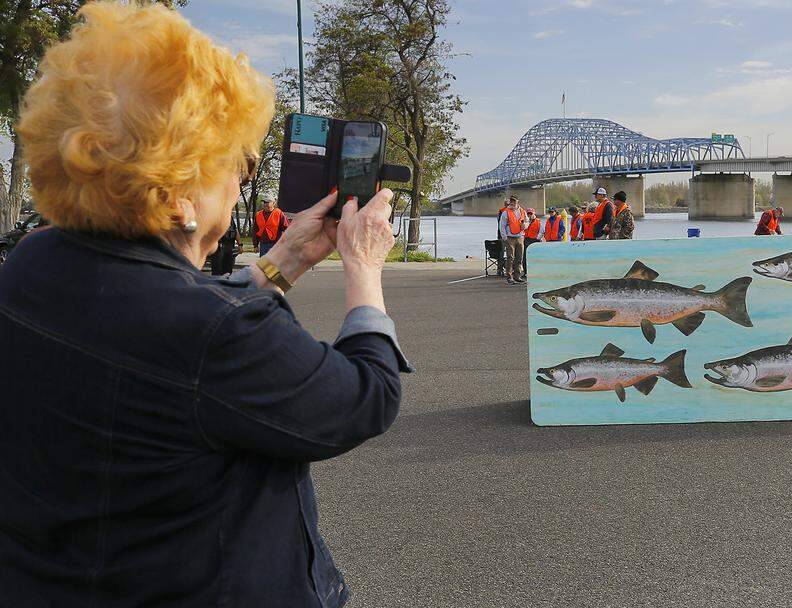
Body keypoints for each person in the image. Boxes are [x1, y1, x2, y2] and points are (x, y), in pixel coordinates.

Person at [0, 4, 411, 606]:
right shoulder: (217, 334)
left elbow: (170, 322)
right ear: (178, 194)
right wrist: (365, 265)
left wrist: (286, 259)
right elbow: (362, 398)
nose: (241, 183)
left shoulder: (32, 265)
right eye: (236, 166)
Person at [498, 195, 528, 284]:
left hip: (520, 237)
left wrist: (525, 226)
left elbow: (527, 222)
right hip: (510, 238)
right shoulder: (506, 212)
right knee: (510, 258)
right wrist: (504, 237)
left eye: (514, 201)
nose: (512, 203)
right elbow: (502, 225)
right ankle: (509, 277)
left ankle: (517, 276)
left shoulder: (522, 211)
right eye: (511, 201)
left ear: (517, 201)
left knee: (519, 258)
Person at [522, 207, 541, 277]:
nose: (529, 215)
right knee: (524, 258)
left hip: (534, 241)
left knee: (534, 258)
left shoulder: (538, 221)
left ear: (533, 213)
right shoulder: (525, 221)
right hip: (526, 240)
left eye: (531, 213)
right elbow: (522, 230)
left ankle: (534, 271)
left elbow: (541, 231)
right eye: (528, 213)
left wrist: (537, 238)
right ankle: (525, 272)